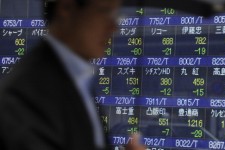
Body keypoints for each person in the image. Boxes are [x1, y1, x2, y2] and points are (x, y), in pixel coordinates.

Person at [0, 0, 145, 149]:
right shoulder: (26, 94)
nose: (114, 27)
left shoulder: (76, 79)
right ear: (66, 7)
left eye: (116, 15)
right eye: (105, 11)